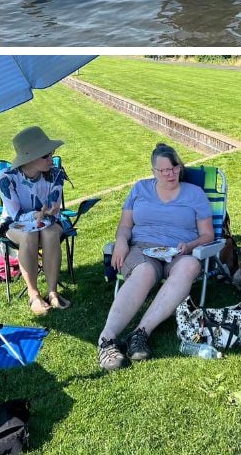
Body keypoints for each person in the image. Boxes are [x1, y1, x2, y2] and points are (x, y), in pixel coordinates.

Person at [98, 143, 214, 370]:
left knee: (190, 266)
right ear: (154, 171)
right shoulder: (140, 189)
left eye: (174, 168)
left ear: (180, 167)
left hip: (179, 250)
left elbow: (207, 234)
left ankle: (140, 333)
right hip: (141, 247)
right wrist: (121, 242)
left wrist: (190, 246)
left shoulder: (195, 194)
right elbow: (125, 225)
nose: (170, 174)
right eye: (164, 171)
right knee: (145, 271)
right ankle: (106, 339)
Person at [0, 126, 70, 315]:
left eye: (51, 153)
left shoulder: (56, 173)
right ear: (29, 158)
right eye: (45, 155)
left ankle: (53, 291)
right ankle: (34, 294)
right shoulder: (6, 178)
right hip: (15, 224)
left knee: (50, 232)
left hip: (48, 221)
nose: (51, 158)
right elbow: (15, 215)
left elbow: (54, 206)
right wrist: (36, 215)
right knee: (29, 235)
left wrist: (48, 213)